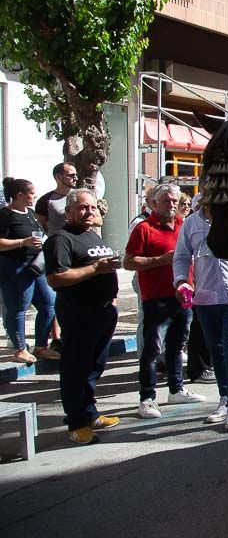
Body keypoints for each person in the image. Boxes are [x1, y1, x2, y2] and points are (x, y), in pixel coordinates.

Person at [42, 189, 122, 444]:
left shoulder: (91, 235)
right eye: (83, 207)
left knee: (94, 366)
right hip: (79, 312)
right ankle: (76, 423)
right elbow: (57, 277)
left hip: (103, 311)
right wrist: (96, 268)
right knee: (76, 368)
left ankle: (90, 413)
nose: (89, 212)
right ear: (69, 211)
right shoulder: (60, 239)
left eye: (93, 207)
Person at [125, 182, 206, 418]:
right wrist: (162, 260)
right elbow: (128, 262)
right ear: (154, 203)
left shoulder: (184, 225)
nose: (171, 204)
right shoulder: (144, 228)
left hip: (183, 297)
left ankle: (176, 389)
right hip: (155, 299)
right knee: (152, 350)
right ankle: (147, 397)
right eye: (166, 200)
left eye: (174, 200)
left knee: (177, 346)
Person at [173, 192, 228, 431]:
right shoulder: (191, 223)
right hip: (205, 299)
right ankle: (225, 397)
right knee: (216, 351)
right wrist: (181, 281)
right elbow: (181, 256)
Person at [0, 178, 56, 363]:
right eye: (31, 193)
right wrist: (22, 242)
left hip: (36, 266)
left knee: (48, 305)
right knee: (18, 308)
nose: (35, 196)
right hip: (15, 268)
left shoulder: (30, 213)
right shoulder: (5, 215)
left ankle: (41, 346)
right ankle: (20, 349)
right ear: (19, 195)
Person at [34, 162, 77, 235]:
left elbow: (96, 220)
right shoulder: (45, 200)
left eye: (76, 175)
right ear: (58, 177)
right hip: (59, 240)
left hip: (82, 240)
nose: (76, 178)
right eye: (71, 175)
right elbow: (44, 227)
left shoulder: (83, 197)